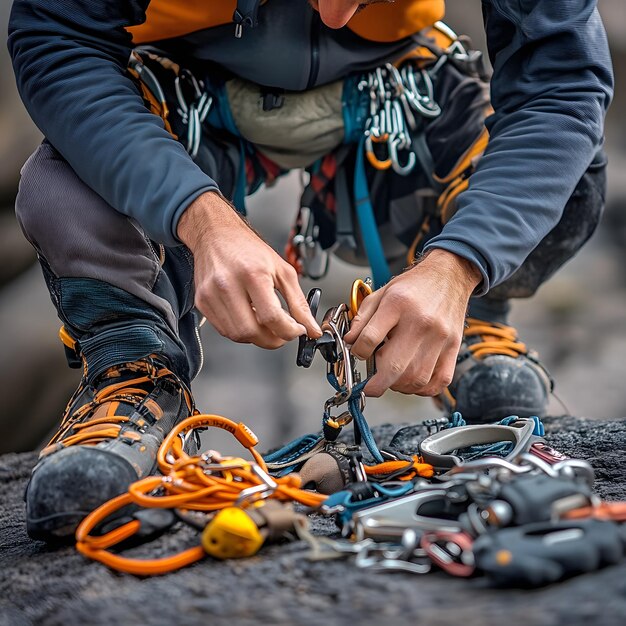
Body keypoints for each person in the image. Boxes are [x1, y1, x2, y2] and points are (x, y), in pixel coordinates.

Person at [8, 0, 612, 541]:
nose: (336, 16)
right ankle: (134, 373)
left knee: (567, 169)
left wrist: (458, 267)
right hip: (183, 88)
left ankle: (466, 322)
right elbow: (57, 38)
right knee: (64, 185)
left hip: (399, 96)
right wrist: (198, 218)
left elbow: (560, 84)